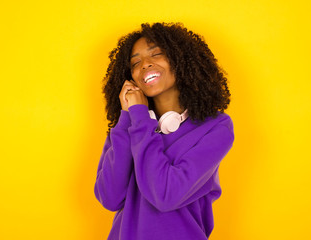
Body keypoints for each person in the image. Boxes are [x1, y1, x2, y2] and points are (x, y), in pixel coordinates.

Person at [94, 22, 234, 240]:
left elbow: (165, 195)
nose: (144, 65)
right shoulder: (128, 126)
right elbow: (110, 198)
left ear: (181, 61)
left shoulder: (215, 127)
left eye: (156, 54)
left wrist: (139, 118)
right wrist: (128, 118)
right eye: (135, 63)